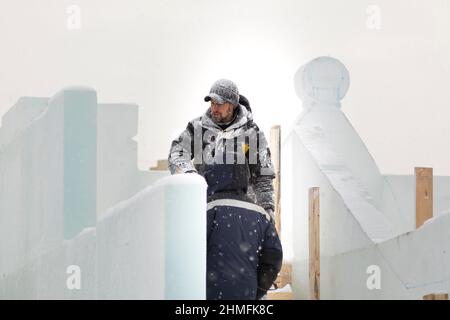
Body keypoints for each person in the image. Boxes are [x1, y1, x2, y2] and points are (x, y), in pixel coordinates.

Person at [168, 79, 282, 300]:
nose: (214, 107)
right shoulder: (198, 127)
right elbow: (177, 153)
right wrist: (190, 177)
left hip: (243, 219)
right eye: (211, 102)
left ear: (232, 104)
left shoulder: (252, 134)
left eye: (219, 103)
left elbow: (264, 177)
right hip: (206, 210)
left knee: (246, 276)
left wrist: (267, 210)